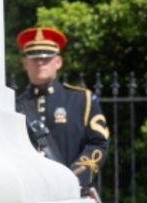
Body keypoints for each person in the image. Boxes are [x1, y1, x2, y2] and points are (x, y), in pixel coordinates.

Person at [13, 26, 109, 191]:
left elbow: (98, 143)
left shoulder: (81, 99)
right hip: (29, 192)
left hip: (73, 192)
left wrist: (76, 177)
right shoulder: (14, 106)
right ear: (25, 63)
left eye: (47, 58)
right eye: (35, 59)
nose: (41, 63)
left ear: (58, 62)